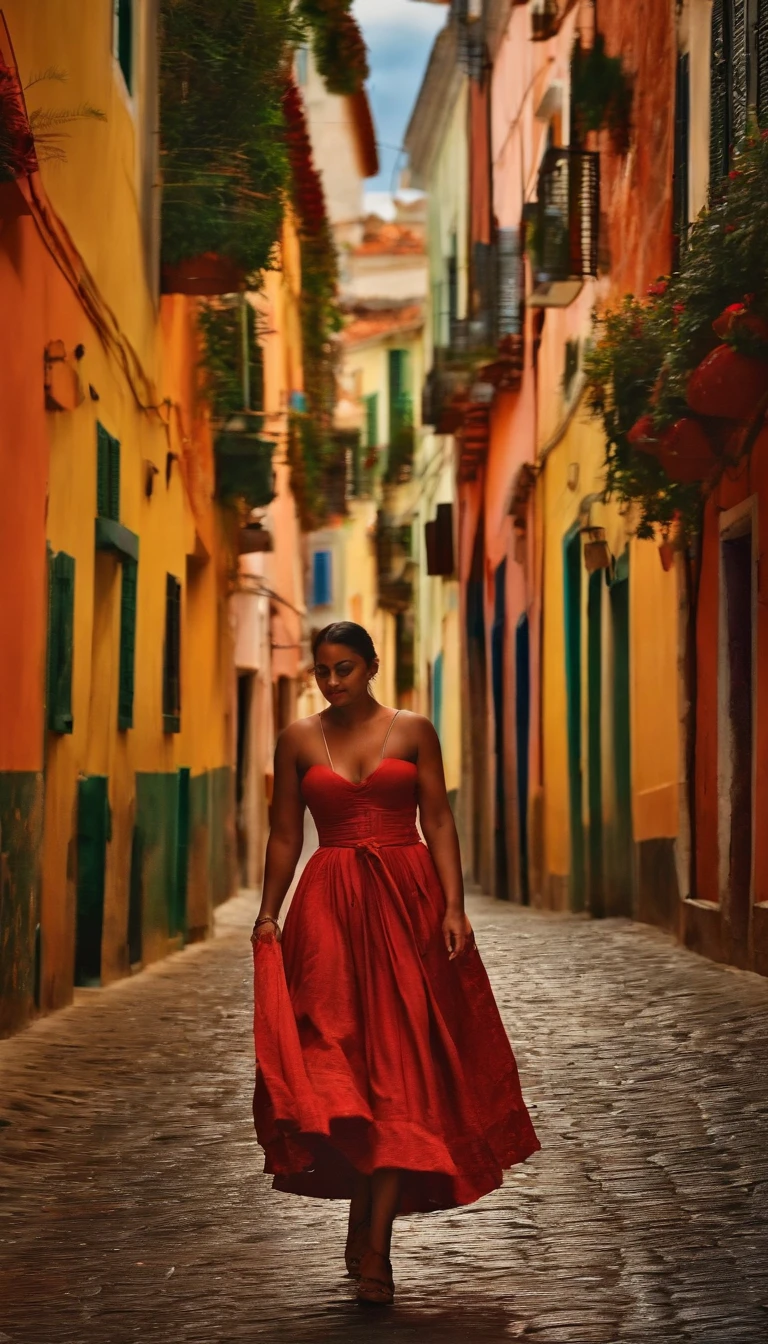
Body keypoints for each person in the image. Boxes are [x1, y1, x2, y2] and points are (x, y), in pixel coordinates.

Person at [251, 621, 540, 1307]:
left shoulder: (414, 730)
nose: (332, 681)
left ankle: (374, 1247)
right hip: (328, 914)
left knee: (401, 1076)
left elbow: (438, 819)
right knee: (338, 1072)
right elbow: (286, 833)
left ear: (373, 665)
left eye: (345, 667)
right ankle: (365, 1226)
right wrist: (270, 912)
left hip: (408, 906)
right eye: (322, 670)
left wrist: (454, 907)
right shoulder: (297, 739)